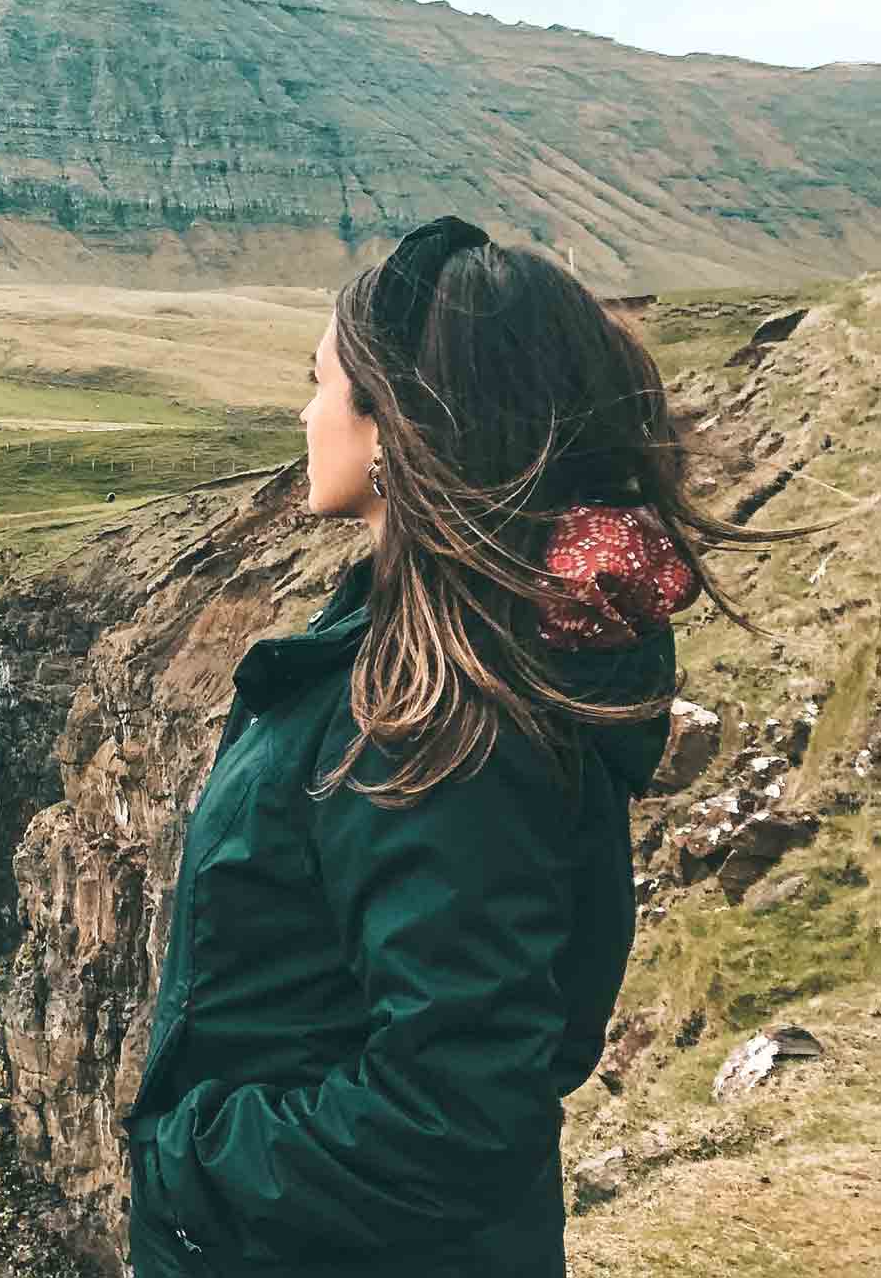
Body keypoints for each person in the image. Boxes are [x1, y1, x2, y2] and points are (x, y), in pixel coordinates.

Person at [121, 216, 805, 1276]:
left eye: (321, 381)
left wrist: (187, 1161)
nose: (305, 411)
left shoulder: (434, 718)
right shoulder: (465, 660)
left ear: (392, 424)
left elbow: (451, 1111)